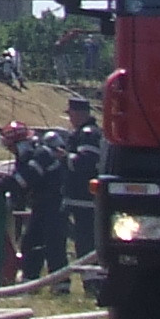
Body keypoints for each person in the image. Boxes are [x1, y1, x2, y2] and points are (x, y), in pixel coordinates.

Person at [0, 120, 69, 290]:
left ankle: (61, 285)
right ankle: (29, 281)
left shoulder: (40, 155)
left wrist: (0, 186)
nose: (10, 150)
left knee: (54, 245)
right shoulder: (29, 156)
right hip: (42, 204)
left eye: (11, 146)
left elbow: (24, 180)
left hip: (55, 205)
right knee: (31, 243)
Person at [62, 95, 103, 270]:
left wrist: (64, 158)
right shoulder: (83, 133)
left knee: (86, 242)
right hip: (78, 198)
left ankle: (92, 279)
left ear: (79, 114)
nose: (70, 118)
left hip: (84, 198)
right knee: (81, 240)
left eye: (71, 114)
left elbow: (86, 163)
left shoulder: (88, 134)